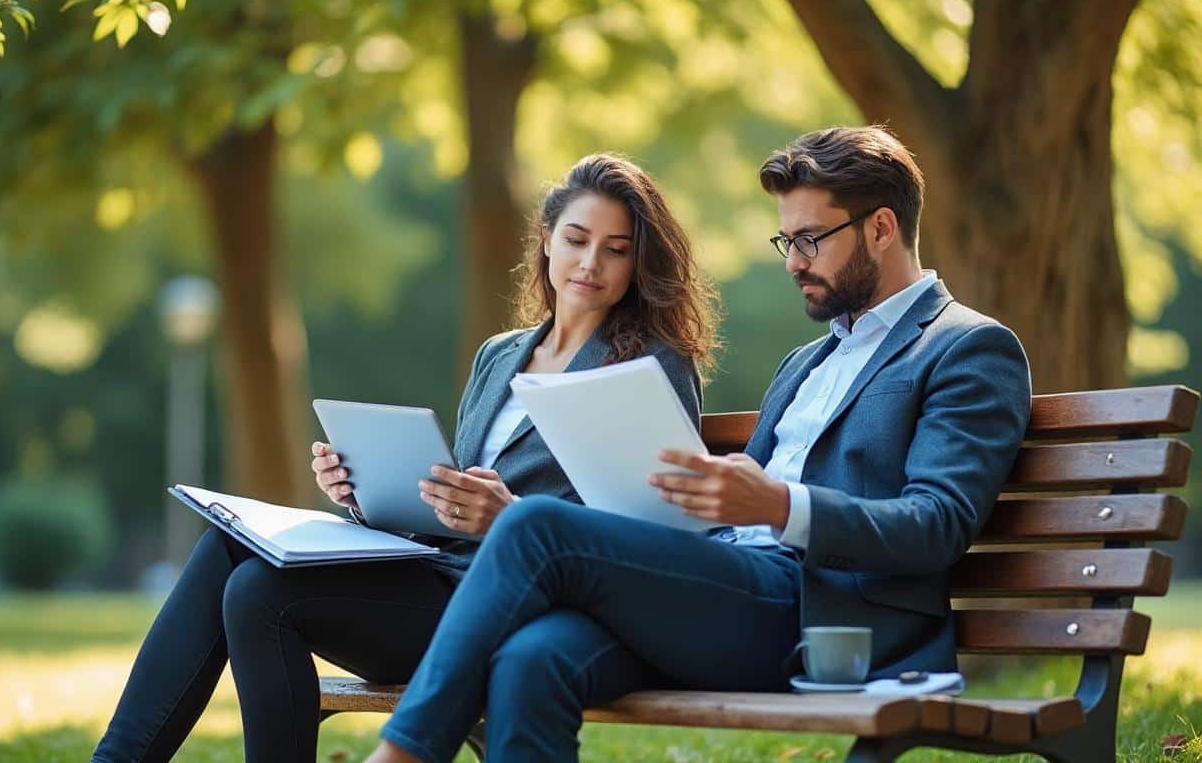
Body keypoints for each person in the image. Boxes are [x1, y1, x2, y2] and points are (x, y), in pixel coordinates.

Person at [364, 126, 1033, 763]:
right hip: (721, 594)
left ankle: (404, 750)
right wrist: (704, 500)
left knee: (536, 522)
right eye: (786, 241)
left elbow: (937, 524)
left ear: (881, 228)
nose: (794, 261)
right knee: (531, 658)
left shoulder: (967, 348)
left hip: (824, 622)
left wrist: (777, 504)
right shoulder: (805, 363)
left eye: (810, 239)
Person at [90, 153, 722, 763]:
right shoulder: (500, 355)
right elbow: (447, 504)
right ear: (547, 240)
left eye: (616, 249)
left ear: (639, 264)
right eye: (578, 239)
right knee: (232, 548)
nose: (591, 262)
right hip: (437, 578)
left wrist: (510, 516)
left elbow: (654, 533)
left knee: (260, 592)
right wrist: (366, 493)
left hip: (524, 606)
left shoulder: (651, 364)